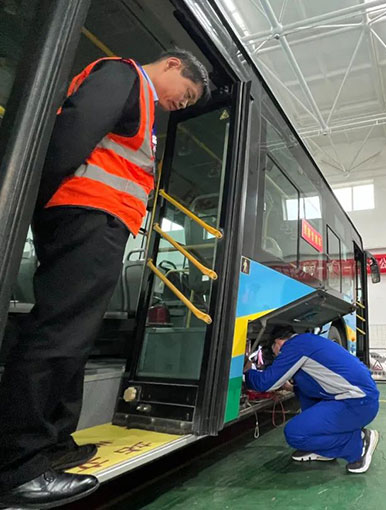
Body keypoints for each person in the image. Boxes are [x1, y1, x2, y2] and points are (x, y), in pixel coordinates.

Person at [0, 50, 209, 508]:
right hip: (85, 214)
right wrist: (35, 200)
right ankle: (17, 465)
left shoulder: (144, 104)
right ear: (172, 65)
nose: (183, 103)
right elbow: (72, 133)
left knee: (75, 334)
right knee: (59, 331)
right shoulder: (123, 76)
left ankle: (54, 441)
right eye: (188, 94)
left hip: (99, 220)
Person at [244, 326, 380, 474]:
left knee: (294, 434)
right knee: (303, 393)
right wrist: (291, 387)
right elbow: (313, 383)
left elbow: (266, 383)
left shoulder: (294, 346)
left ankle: (357, 444)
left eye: (274, 352)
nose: (276, 357)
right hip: (361, 400)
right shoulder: (308, 342)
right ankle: (323, 450)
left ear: (277, 343)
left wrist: (247, 373)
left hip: (357, 403)